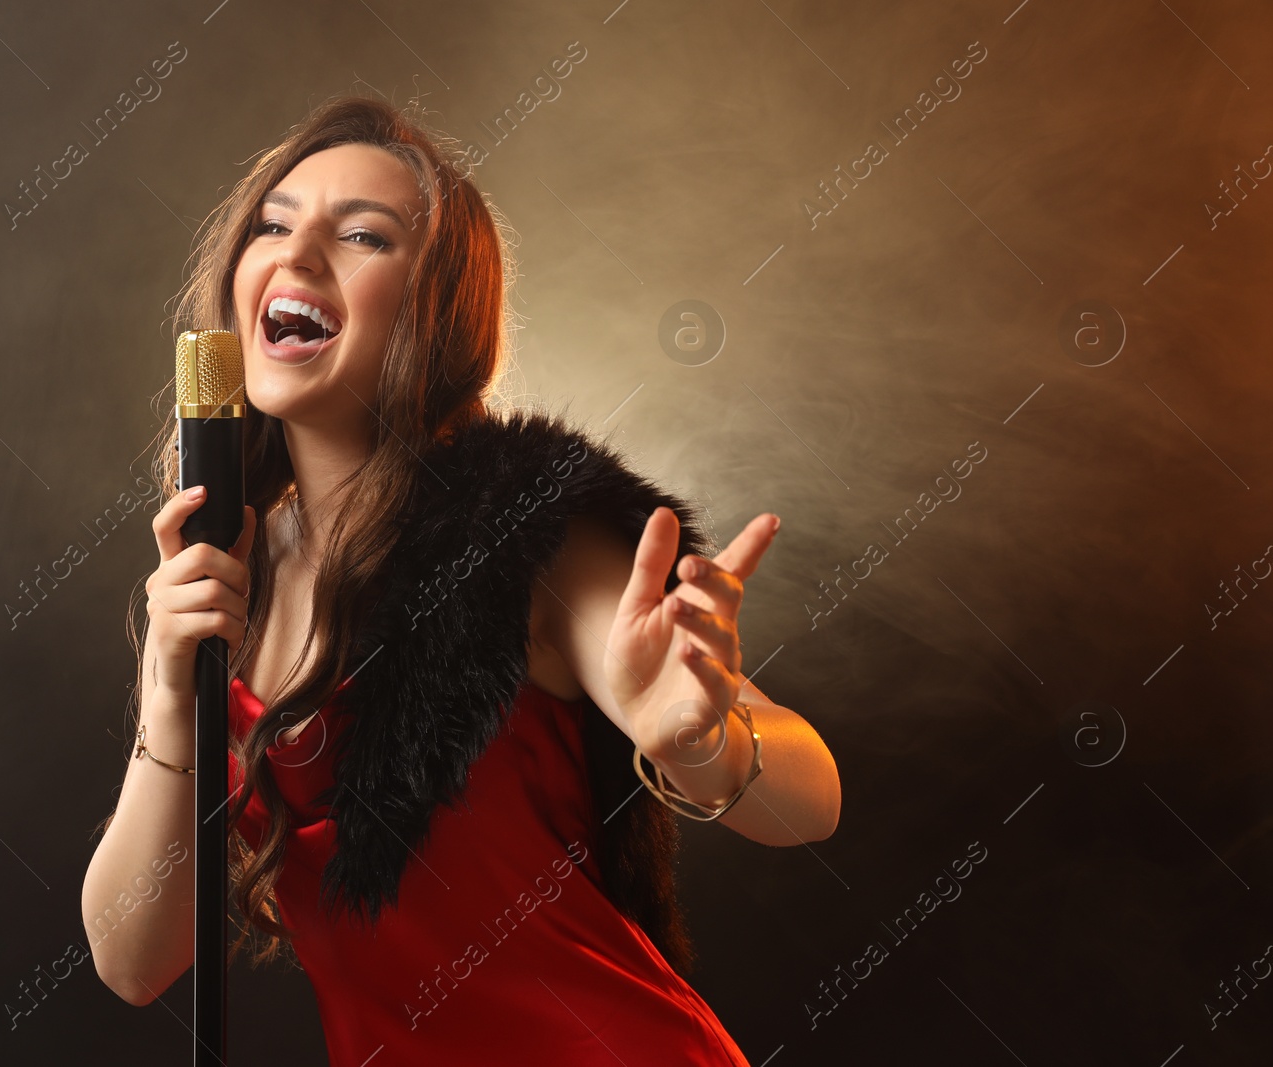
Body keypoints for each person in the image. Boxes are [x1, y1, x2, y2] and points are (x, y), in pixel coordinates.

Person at [81, 93, 841, 1066]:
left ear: (436, 307)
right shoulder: (229, 574)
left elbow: (809, 795)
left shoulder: (524, 529)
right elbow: (130, 958)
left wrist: (703, 744)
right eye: (274, 223)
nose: (298, 254)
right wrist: (168, 701)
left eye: (362, 235)